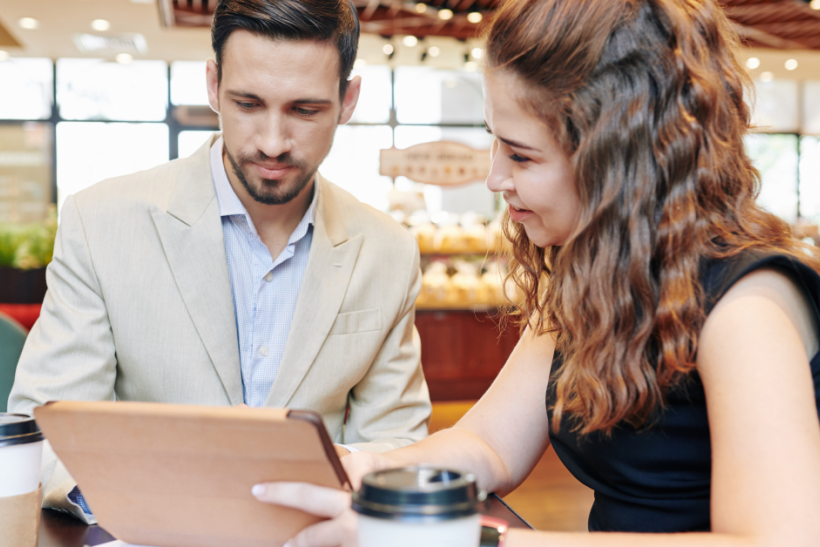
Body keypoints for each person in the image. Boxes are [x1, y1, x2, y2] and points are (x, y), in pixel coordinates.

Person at [250, 0, 820, 545]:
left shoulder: (748, 309)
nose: (496, 177)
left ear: (616, 160)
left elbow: (775, 540)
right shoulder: (589, 274)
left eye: (521, 156)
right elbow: (488, 444)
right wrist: (365, 467)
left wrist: (458, 538)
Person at [8, 0, 431, 523]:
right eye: (248, 104)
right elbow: (41, 428)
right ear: (213, 85)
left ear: (347, 100)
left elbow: (397, 439)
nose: (273, 143)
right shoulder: (100, 223)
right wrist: (147, 499)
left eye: (305, 110)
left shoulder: (387, 250)